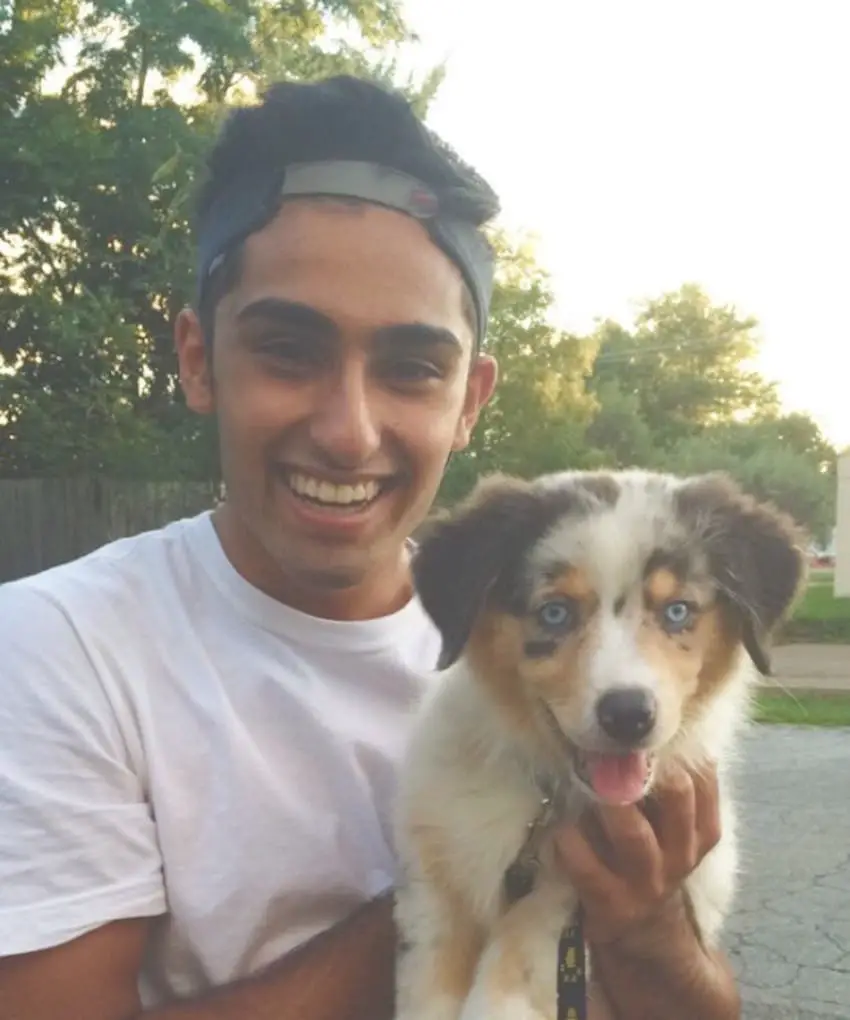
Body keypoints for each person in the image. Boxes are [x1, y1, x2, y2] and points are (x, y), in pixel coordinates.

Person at [0, 75, 740, 1020]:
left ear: (469, 400)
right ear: (196, 358)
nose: (350, 432)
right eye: (288, 352)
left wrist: (647, 930)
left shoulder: (557, 654)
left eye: (410, 370)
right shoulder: (61, 650)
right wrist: (476, 876)